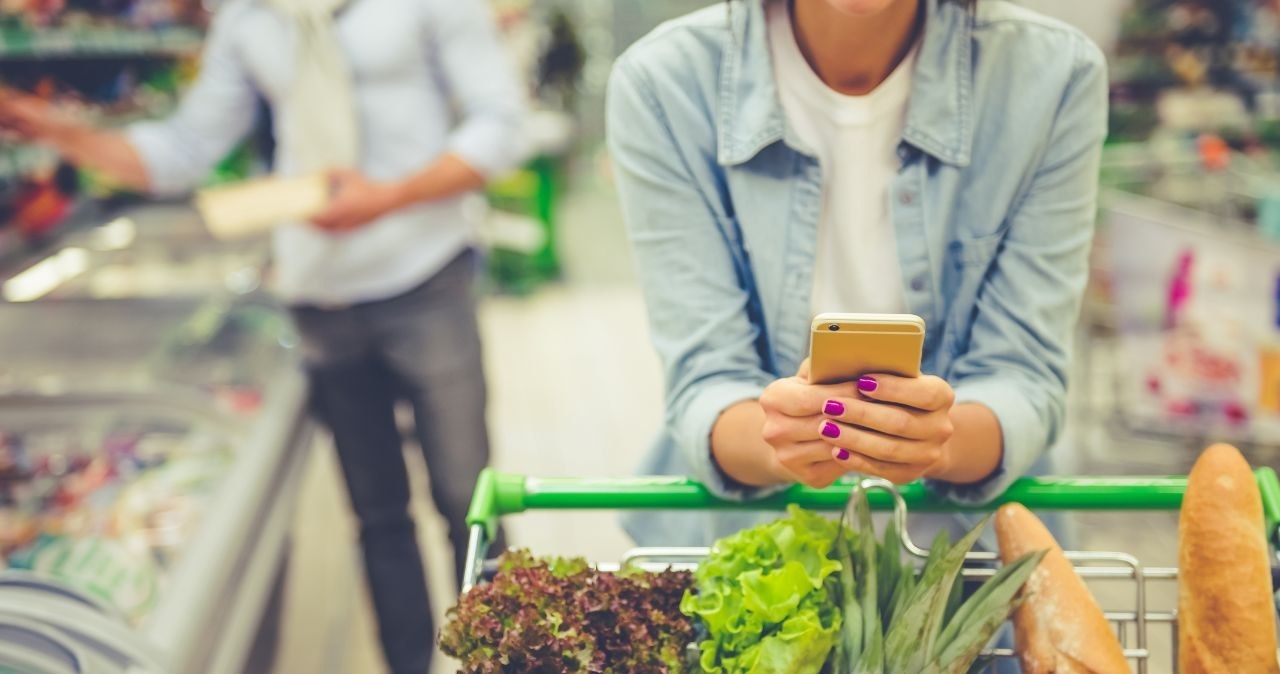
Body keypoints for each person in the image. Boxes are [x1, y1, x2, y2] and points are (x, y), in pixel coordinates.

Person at [0, 1, 524, 671]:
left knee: (469, 500)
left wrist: (387, 197)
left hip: (425, 275)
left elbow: (500, 125)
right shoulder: (249, 18)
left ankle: (506, 661)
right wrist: (60, 130)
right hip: (320, 296)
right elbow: (186, 149)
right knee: (378, 517)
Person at [606, 0, 1106, 546]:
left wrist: (937, 441)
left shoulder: (1054, 75)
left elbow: (1025, 375)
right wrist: (780, 439)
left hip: (973, 568)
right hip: (749, 552)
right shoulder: (665, 82)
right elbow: (706, 381)